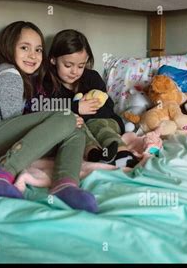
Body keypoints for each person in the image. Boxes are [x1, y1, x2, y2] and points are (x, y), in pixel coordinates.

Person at [0, 21, 98, 213]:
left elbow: (28, 125)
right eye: (25, 48)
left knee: (75, 128)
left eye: (38, 50)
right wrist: (62, 119)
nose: (33, 55)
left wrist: (61, 128)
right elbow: (14, 119)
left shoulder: (23, 78)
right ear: (8, 47)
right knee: (67, 117)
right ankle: (1, 173)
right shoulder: (9, 74)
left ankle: (65, 184)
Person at [41, 29, 138, 168]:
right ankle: (95, 155)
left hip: (107, 121)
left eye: (80, 66)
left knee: (94, 124)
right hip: (77, 126)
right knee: (75, 126)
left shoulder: (92, 77)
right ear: (53, 60)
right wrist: (76, 108)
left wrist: (85, 112)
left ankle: (124, 155)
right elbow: (44, 108)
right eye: (68, 65)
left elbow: (108, 108)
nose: (75, 71)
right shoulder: (47, 84)